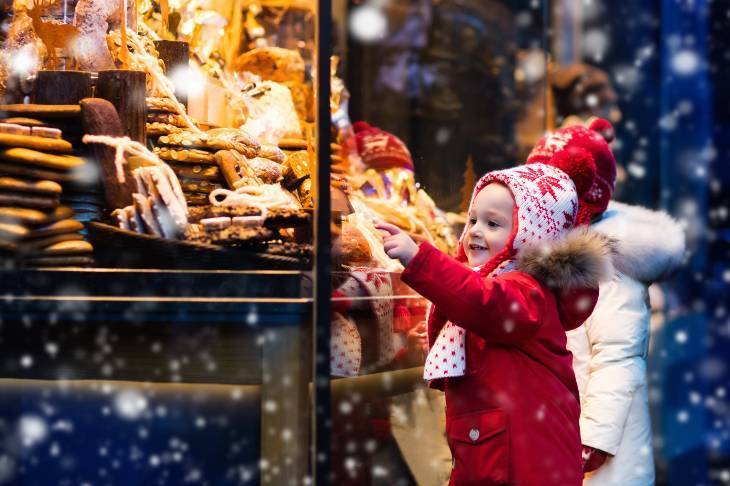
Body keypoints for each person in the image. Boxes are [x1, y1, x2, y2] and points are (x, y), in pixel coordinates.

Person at [376, 160, 612, 485]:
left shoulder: (527, 291)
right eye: (473, 219)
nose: (474, 230)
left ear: (529, 234)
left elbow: (480, 302)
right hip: (495, 450)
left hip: (525, 460)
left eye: (492, 223)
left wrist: (420, 259)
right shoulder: (501, 288)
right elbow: (476, 320)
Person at [526, 119, 686, 485]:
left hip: (601, 451)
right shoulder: (554, 256)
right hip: (561, 429)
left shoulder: (607, 264)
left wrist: (593, 439)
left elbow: (619, 358)